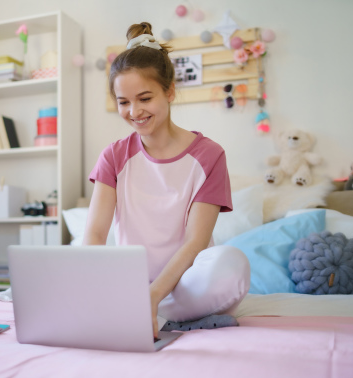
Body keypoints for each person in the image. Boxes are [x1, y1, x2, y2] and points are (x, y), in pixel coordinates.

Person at [83, 22, 250, 338]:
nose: (134, 111)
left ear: (170, 91)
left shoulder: (209, 155)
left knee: (232, 264)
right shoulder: (113, 157)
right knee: (74, 267)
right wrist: (96, 282)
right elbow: (94, 233)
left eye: (145, 98)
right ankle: (144, 312)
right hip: (128, 285)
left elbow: (195, 242)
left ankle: (148, 311)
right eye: (123, 102)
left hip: (183, 286)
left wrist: (153, 295)